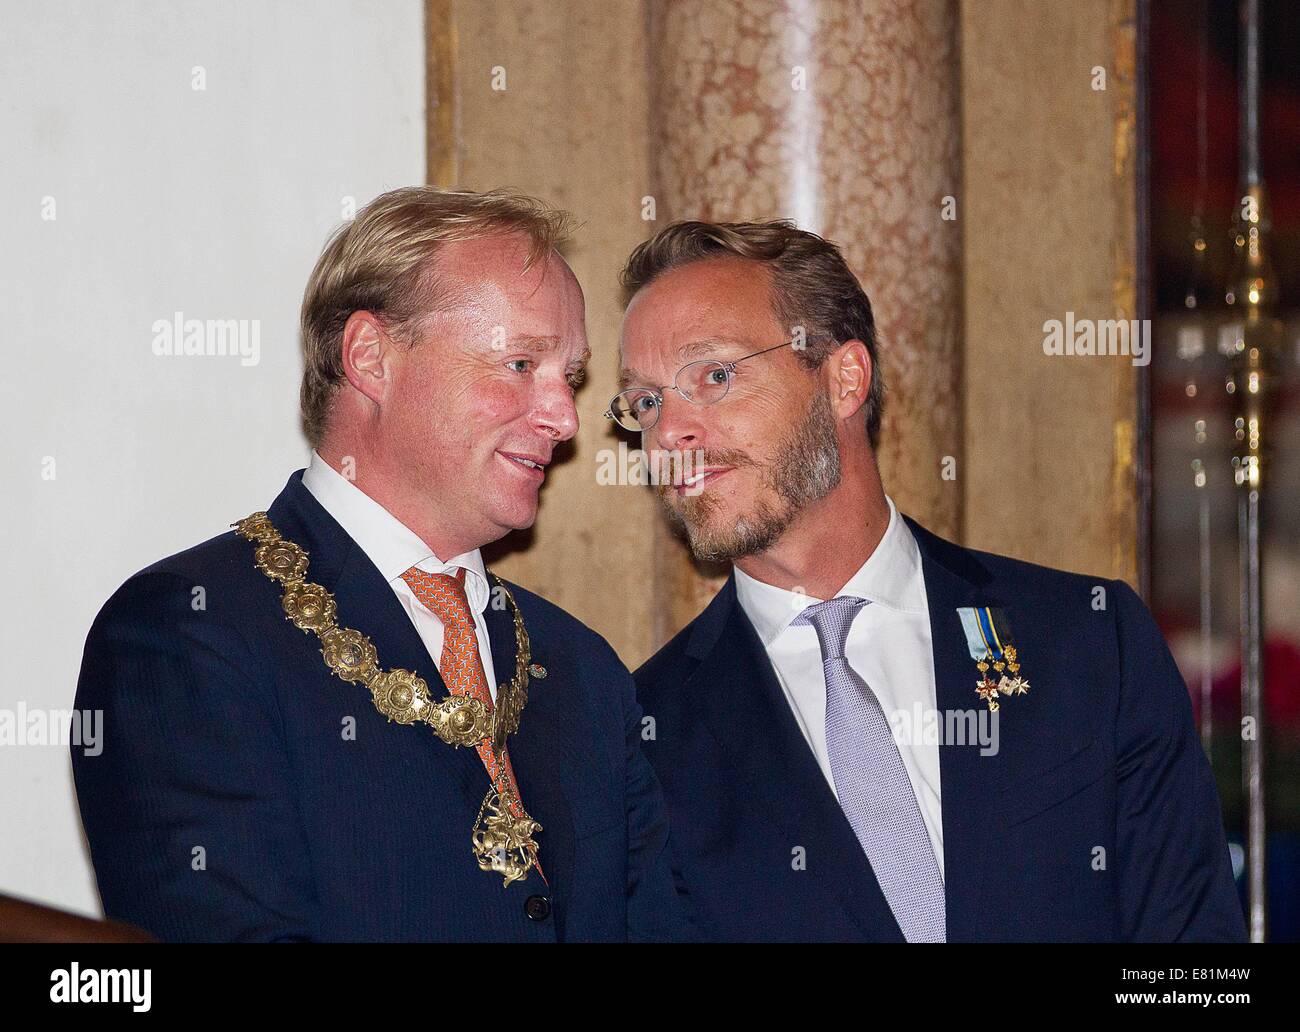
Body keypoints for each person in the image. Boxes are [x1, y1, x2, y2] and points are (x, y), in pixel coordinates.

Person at [72, 186, 680, 942]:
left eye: (571, 378)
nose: (561, 417)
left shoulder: (583, 670)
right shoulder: (190, 631)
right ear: (370, 357)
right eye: (521, 363)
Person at [614, 219, 1246, 942]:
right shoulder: (645, 734)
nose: (667, 434)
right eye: (646, 402)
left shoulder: (1085, 638)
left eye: (714, 376)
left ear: (844, 378)